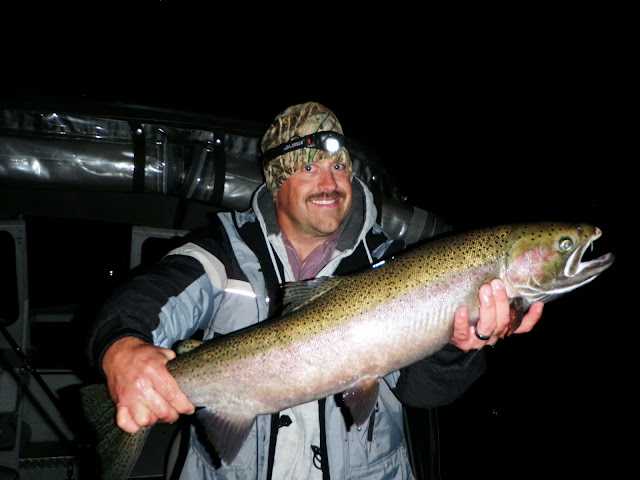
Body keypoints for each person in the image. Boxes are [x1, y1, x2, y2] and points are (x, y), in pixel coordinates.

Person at [88, 101, 543, 479]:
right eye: (308, 167)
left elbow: (421, 393)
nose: (330, 183)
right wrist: (123, 348)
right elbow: (149, 294)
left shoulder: (396, 265)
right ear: (276, 182)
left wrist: (459, 347)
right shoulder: (221, 251)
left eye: (339, 167)